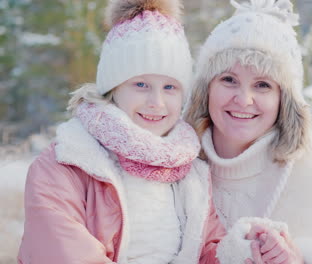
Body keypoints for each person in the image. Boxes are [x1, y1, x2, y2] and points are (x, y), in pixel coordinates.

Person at [17, 0, 225, 263]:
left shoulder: (191, 172)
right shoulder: (68, 162)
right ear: (113, 89)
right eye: (140, 84)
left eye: (170, 88)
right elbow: (61, 249)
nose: (157, 102)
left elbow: (210, 249)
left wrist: (247, 251)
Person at [185, 0, 312, 263]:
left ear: (285, 100)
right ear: (205, 91)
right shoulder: (173, 165)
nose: (244, 99)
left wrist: (301, 260)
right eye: (229, 80)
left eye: (262, 85)